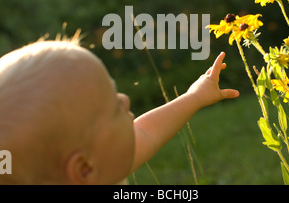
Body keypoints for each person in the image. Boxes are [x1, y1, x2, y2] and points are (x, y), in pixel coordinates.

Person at [0, 38, 239, 184]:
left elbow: (145, 134)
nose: (124, 99)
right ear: (83, 169)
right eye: (113, 106)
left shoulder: (97, 166)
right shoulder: (101, 165)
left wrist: (193, 97)